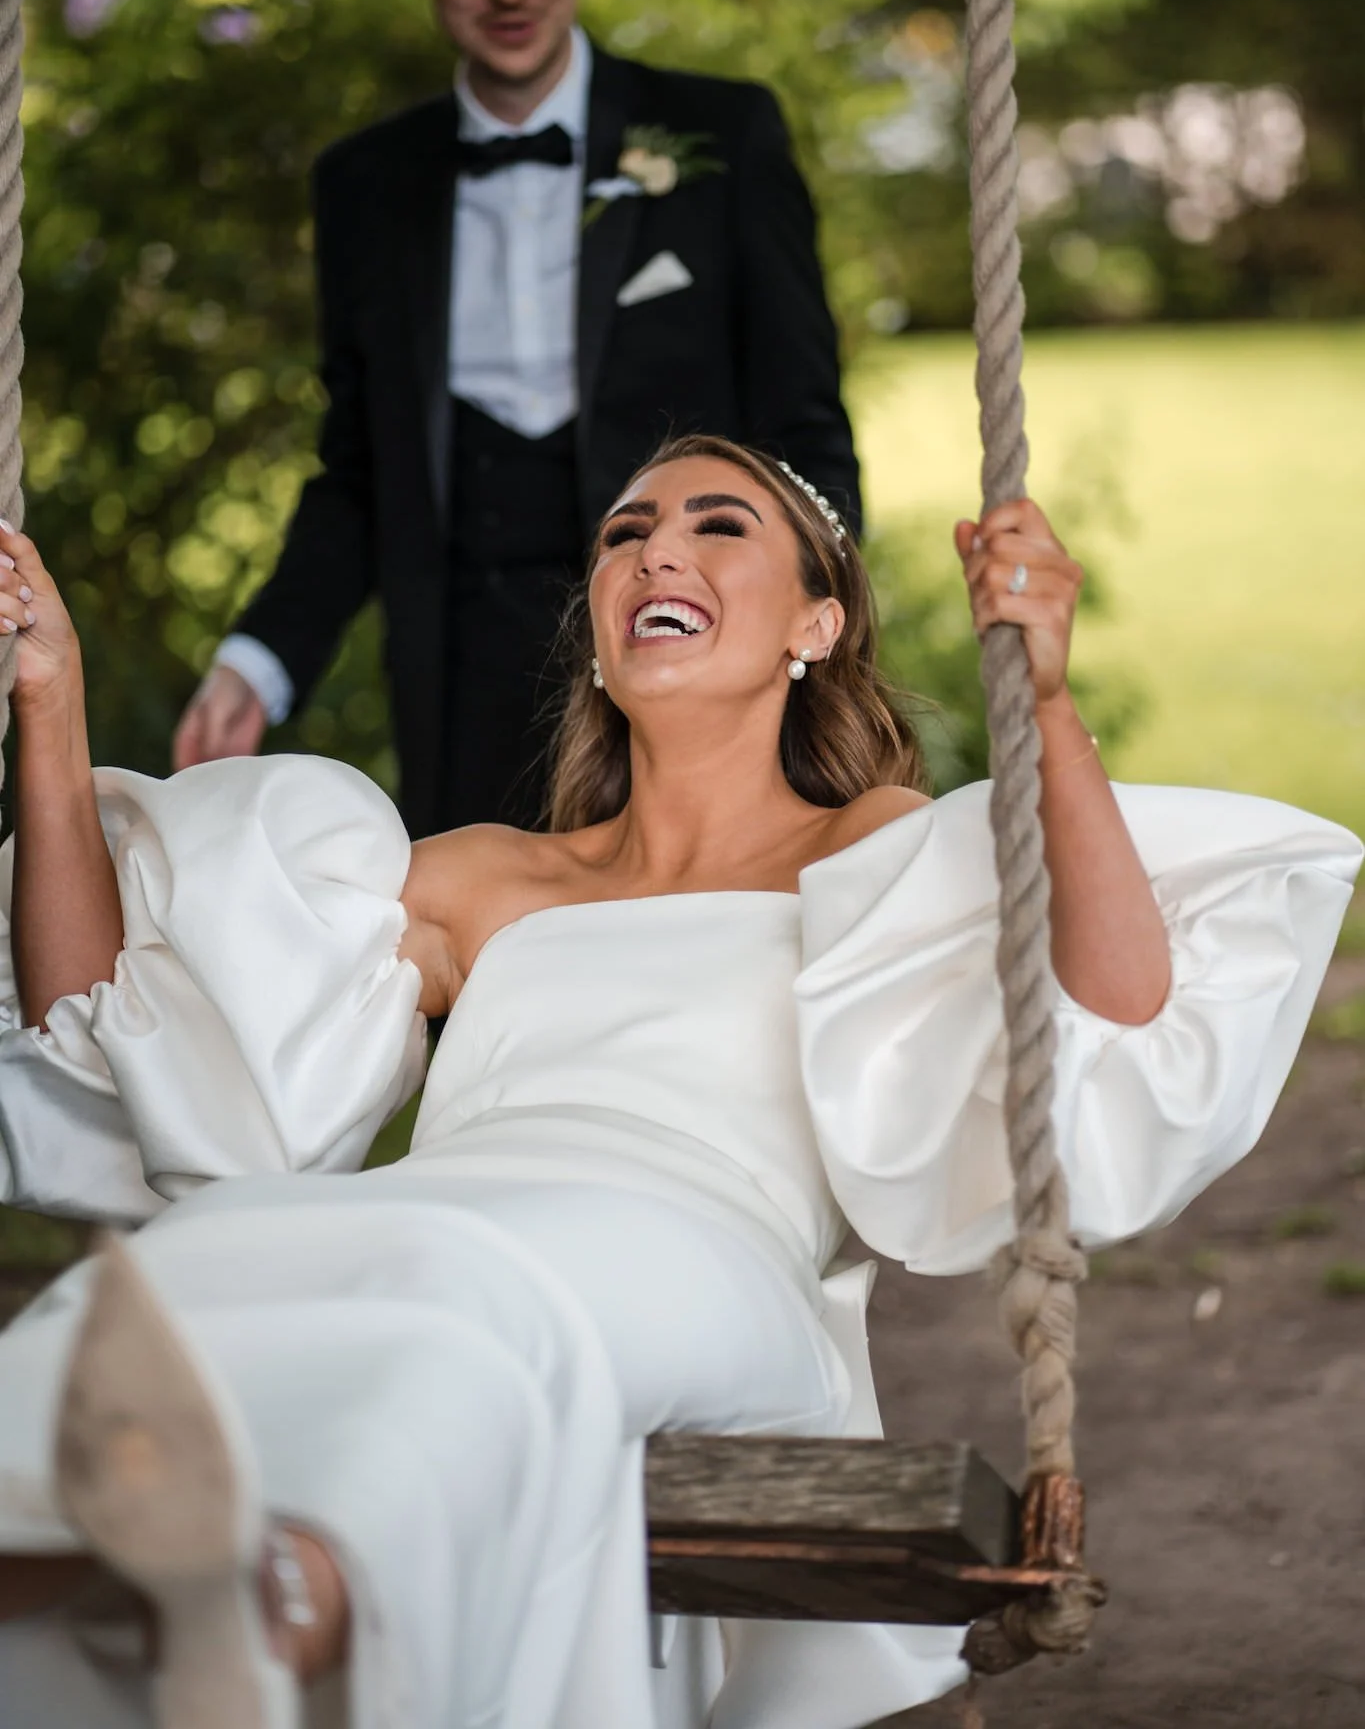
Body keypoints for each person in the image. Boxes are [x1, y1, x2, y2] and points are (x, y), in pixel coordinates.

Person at [0, 438, 1358, 1729]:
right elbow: (104, 1028)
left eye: (721, 526)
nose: (660, 554)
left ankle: (299, 1605)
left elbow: (1117, 1010)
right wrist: (50, 708)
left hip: (710, 1260)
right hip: (452, 1216)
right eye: (625, 534)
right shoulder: (487, 879)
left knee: (481, 1287)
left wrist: (1048, 702)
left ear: (813, 628)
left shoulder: (874, 849)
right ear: (596, 623)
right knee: (220, 1244)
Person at [171, 0, 862, 836]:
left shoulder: (723, 137)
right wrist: (257, 659)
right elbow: (361, 470)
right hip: (460, 678)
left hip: (687, 653)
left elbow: (805, 430)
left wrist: (826, 631)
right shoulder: (364, 184)